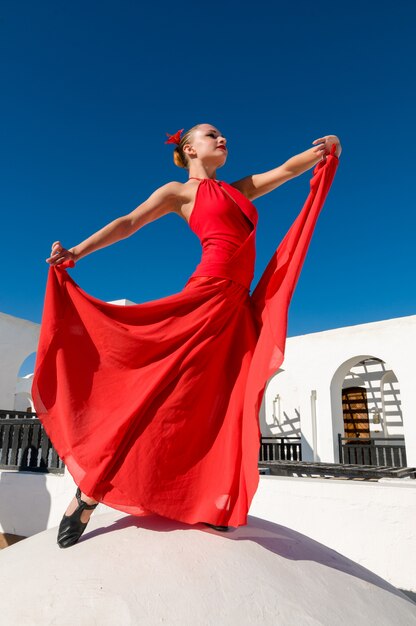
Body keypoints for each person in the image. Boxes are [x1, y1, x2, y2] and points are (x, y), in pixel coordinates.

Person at [33, 123, 341, 548]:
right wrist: (77, 252)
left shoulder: (240, 189)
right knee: (160, 391)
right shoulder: (180, 192)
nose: (222, 138)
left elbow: (287, 169)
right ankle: (90, 490)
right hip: (207, 295)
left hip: (237, 308)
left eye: (223, 134)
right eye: (211, 134)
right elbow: (128, 222)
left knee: (216, 400)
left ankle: (207, 500)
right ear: (189, 149)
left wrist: (324, 152)